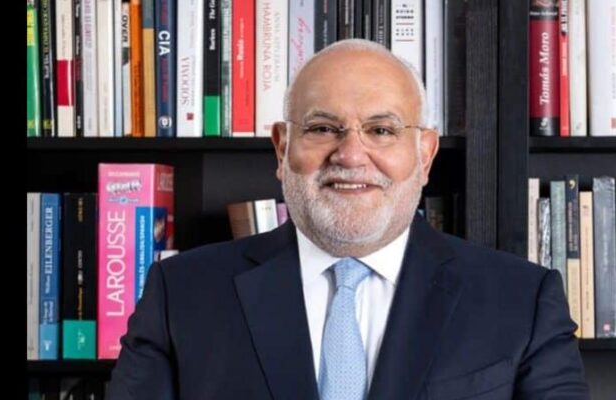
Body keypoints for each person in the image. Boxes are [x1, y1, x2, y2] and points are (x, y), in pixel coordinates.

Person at [107, 39, 589, 400]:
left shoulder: (521, 301)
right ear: (282, 148)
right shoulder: (181, 294)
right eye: (322, 128)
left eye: (381, 130)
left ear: (425, 155)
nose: (351, 155)